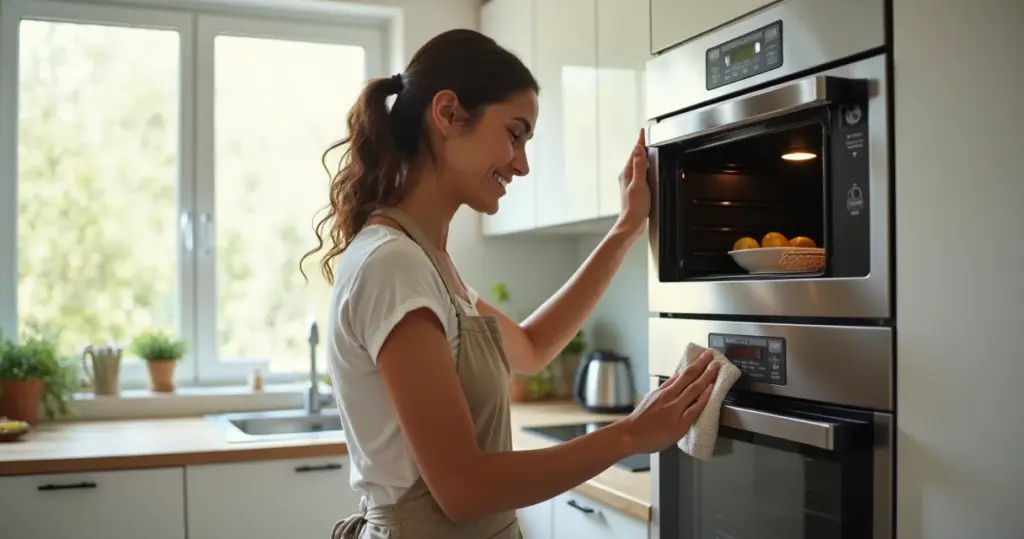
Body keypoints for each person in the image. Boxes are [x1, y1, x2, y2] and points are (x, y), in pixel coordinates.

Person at [300, 29, 721, 539]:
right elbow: (464, 489)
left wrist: (627, 229)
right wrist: (629, 435)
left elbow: (530, 347)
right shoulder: (393, 264)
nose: (522, 164)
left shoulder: (428, 261)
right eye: (514, 134)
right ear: (448, 113)